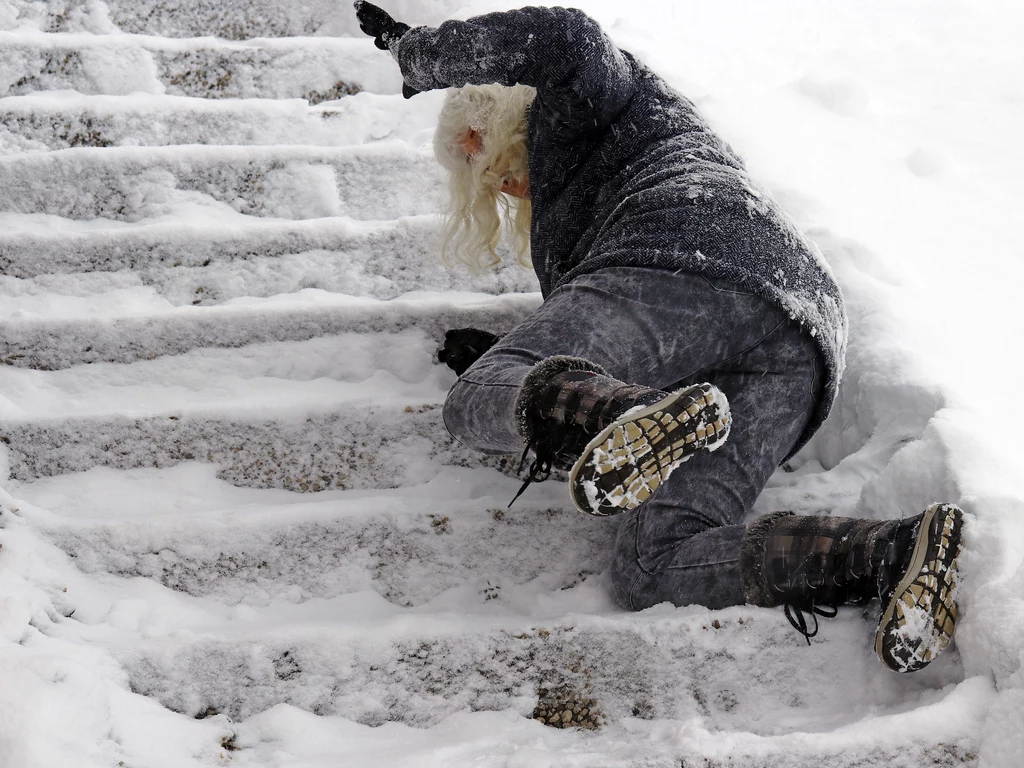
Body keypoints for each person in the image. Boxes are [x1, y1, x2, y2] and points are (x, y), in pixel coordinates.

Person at [354, 1, 962, 673]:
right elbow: (636, 333)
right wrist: (515, 347)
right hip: (796, 339)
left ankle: (623, 412)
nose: (506, 183)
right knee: (650, 563)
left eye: (488, 155)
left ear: (497, 120)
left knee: (474, 403)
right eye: (493, 184)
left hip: (683, 249)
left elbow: (568, 34)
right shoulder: (601, 179)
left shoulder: (588, 105)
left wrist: (417, 54)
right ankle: (889, 554)